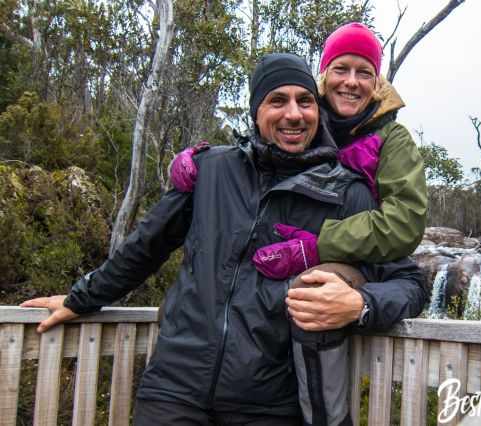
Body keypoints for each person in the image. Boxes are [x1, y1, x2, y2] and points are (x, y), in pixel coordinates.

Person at [21, 53, 426, 426]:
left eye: (305, 101)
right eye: (277, 101)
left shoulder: (347, 193)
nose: (293, 114)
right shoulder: (210, 171)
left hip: (268, 405)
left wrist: (361, 304)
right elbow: (146, 246)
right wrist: (81, 298)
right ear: (256, 110)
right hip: (173, 391)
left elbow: (410, 282)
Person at [171, 22, 429, 281]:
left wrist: (318, 247)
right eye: (341, 69)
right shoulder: (304, 119)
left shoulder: (392, 140)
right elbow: (262, 144)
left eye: (363, 72)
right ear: (325, 75)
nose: (351, 82)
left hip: (360, 272)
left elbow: (405, 223)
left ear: (376, 83)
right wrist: (200, 160)